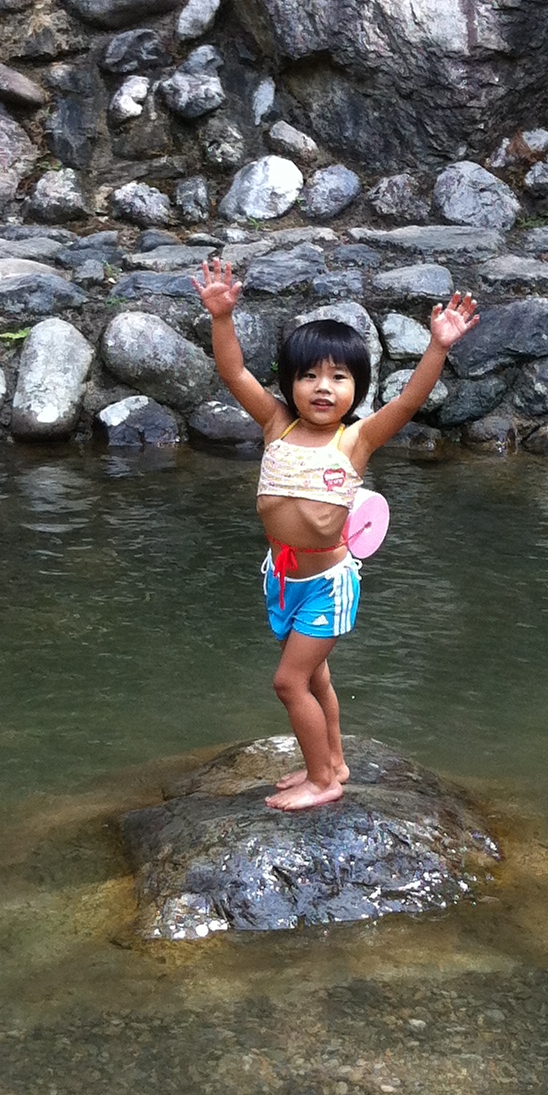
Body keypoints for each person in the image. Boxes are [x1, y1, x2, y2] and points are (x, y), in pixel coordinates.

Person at [194, 257, 479, 811]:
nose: (322, 388)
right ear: (290, 384)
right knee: (316, 679)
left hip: (327, 584)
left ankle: (324, 781)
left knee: (289, 683)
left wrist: (438, 346)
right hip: (282, 580)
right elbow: (234, 374)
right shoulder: (277, 424)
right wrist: (221, 318)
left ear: (357, 388)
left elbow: (409, 401)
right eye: (309, 376)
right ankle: (334, 761)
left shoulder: (356, 440)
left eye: (339, 377)